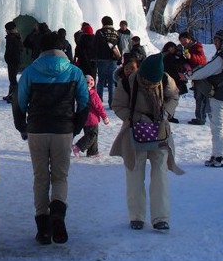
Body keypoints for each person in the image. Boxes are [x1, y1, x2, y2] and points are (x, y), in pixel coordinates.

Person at [13, 31, 89, 245]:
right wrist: (75, 127)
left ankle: (43, 228)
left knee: (40, 177)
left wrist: (22, 126)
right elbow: (84, 103)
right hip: (63, 129)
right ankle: (58, 211)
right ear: (62, 47)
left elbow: (19, 102)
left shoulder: (30, 71)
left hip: (37, 129)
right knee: (60, 176)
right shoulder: (74, 72)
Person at [110, 53, 183, 232]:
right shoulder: (127, 83)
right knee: (134, 174)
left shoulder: (165, 80)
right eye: (148, 81)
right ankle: (136, 216)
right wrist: (138, 118)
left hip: (160, 133)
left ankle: (161, 218)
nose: (151, 85)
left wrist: (166, 113)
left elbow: (174, 96)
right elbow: (118, 106)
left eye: (154, 82)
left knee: (160, 176)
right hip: (134, 134)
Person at [187, 29, 223, 167]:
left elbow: (205, 71)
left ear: (222, 41)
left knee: (217, 127)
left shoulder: (222, 58)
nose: (214, 43)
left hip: (219, 97)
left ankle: (218, 157)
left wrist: (189, 75)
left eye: (216, 40)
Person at [72, 75, 110, 157]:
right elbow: (99, 106)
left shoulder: (81, 93)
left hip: (83, 118)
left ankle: (93, 152)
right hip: (92, 119)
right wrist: (104, 116)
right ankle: (79, 146)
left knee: (90, 134)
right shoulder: (93, 94)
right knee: (92, 135)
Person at [178, 31, 208, 125]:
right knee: (198, 96)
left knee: (200, 96)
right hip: (196, 76)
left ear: (189, 38)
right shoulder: (187, 48)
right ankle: (200, 117)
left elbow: (202, 60)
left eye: (184, 39)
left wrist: (191, 56)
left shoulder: (196, 47)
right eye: (181, 40)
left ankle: (201, 118)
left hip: (201, 75)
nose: (183, 42)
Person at [94, 16, 121, 109]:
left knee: (101, 81)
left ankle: (98, 101)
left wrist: (95, 58)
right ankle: (111, 102)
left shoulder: (99, 32)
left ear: (103, 23)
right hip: (113, 59)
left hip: (102, 59)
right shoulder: (117, 33)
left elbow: (95, 46)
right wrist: (119, 59)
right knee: (111, 81)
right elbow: (119, 47)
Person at [3, 21, 23, 103]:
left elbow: (9, 50)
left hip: (12, 60)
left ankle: (14, 95)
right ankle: (11, 93)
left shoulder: (11, 38)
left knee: (12, 78)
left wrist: (7, 58)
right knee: (12, 78)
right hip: (16, 59)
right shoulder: (17, 36)